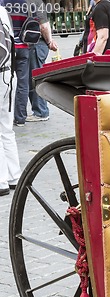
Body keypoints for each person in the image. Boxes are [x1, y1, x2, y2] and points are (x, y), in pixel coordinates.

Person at [4, 0, 58, 127]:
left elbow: (43, 26)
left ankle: (40, 112)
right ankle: (22, 116)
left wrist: (49, 41)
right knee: (26, 82)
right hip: (27, 44)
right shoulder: (34, 3)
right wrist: (50, 41)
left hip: (24, 46)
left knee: (29, 80)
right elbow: (43, 25)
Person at [0, 5, 21, 196]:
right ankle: (14, 175)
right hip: (8, 74)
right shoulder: (4, 11)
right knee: (6, 128)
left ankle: (1, 180)